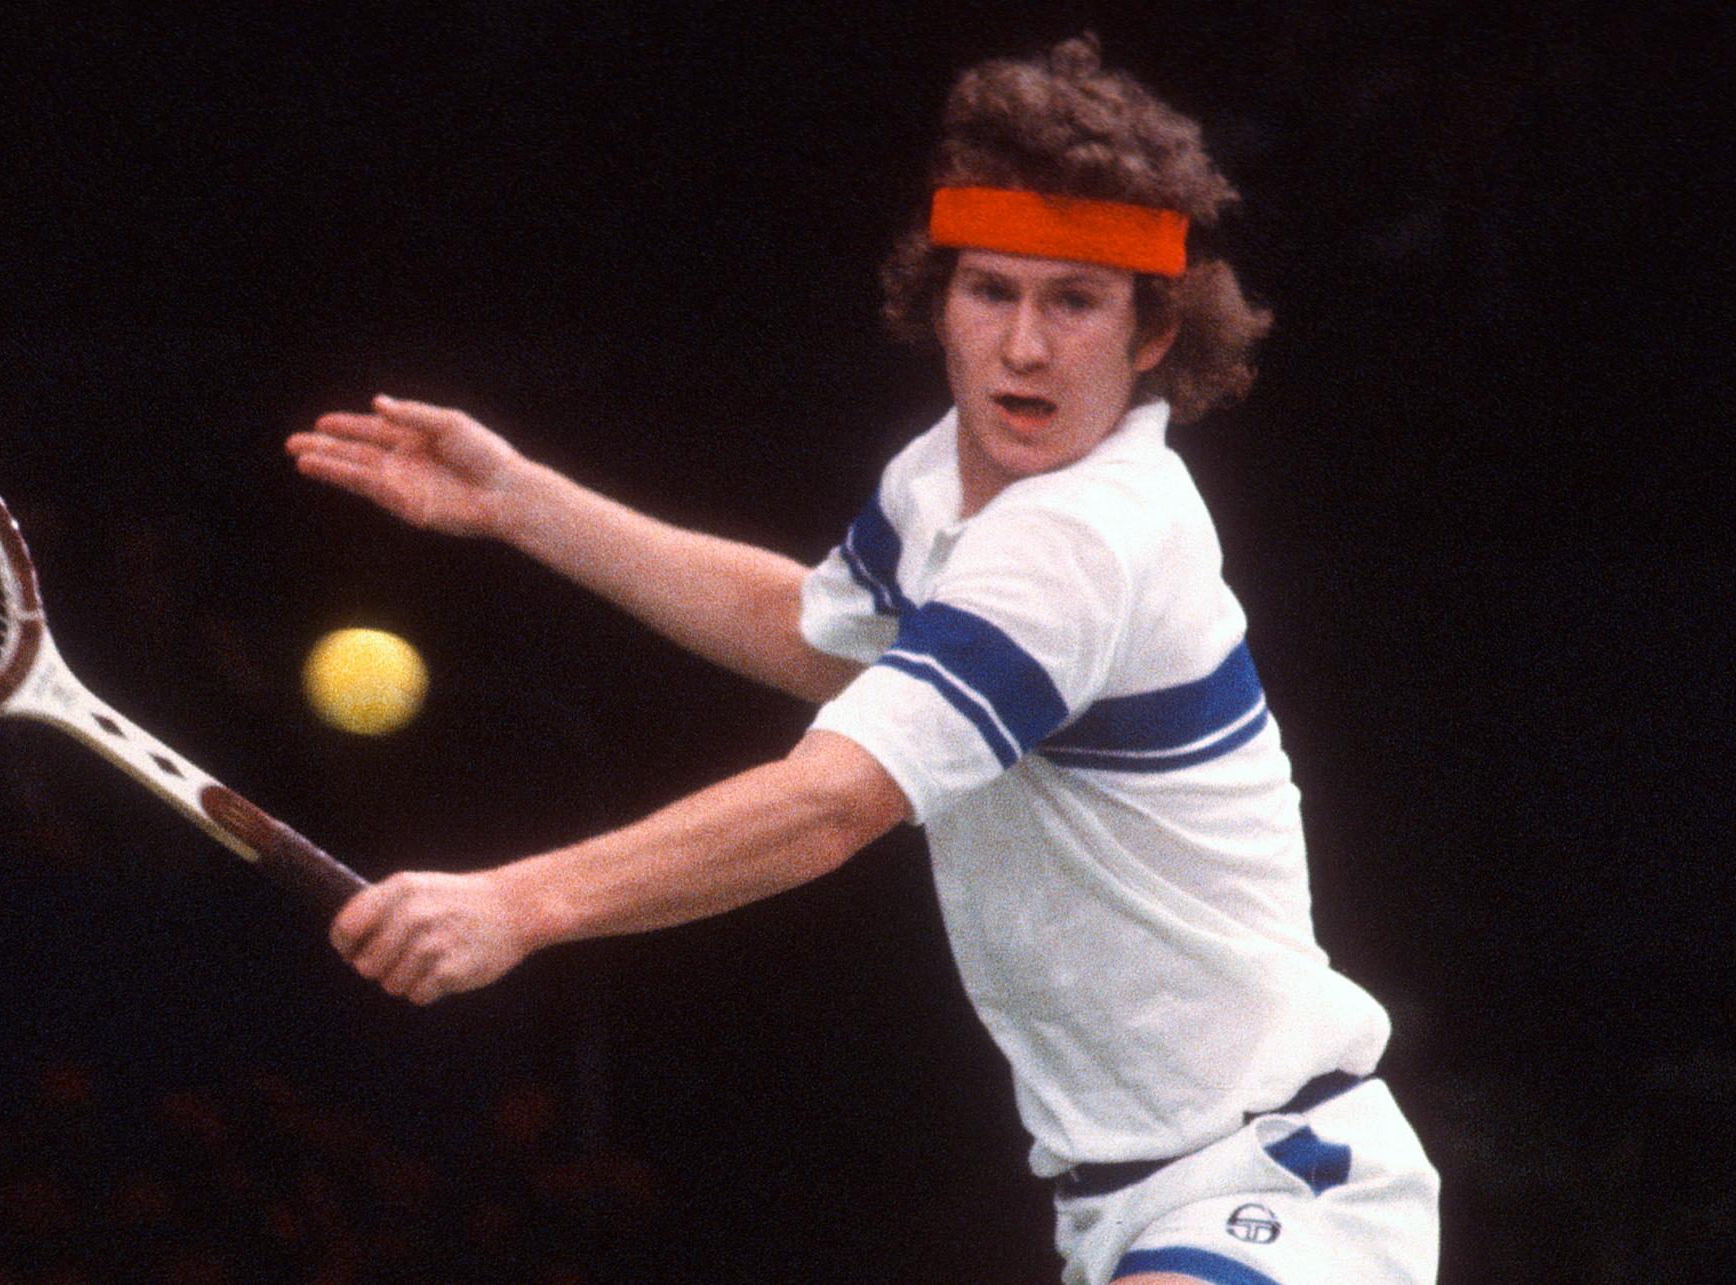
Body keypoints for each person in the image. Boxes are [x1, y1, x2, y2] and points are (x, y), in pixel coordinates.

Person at [287, 33, 1439, 1285]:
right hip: (1117, 1204)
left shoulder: (1089, 535)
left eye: (1074, 300)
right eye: (989, 290)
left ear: (1153, 328)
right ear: (935, 300)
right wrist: (525, 502)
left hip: (1278, 1180)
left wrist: (518, 902)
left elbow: (834, 800)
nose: (1024, 347)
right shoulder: (944, 480)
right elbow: (816, 638)